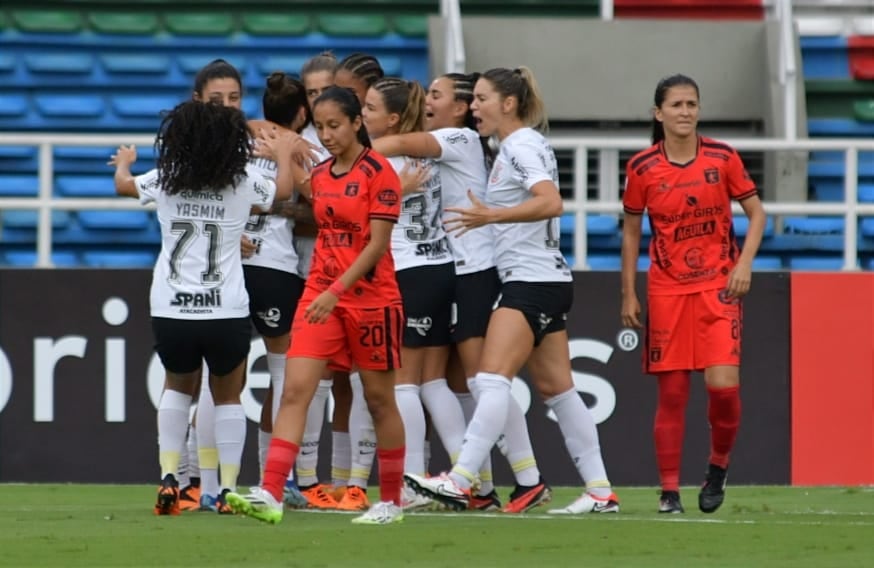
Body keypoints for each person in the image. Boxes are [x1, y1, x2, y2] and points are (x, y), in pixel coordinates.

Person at [404, 66, 619, 515]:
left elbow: (550, 201)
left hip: (530, 281)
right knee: (558, 388)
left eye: (482, 99)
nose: (475, 107)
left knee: (489, 378)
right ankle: (600, 490)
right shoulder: (517, 146)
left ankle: (462, 478)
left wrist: (491, 218)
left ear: (508, 103)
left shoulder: (520, 146)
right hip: (549, 279)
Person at [227, 86, 407, 525]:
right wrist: (285, 151)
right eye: (321, 126)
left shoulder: (380, 173)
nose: (326, 135)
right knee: (294, 390)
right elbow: (308, 190)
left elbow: (376, 245)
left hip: (370, 300)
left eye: (334, 126)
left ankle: (391, 502)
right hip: (320, 294)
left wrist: (335, 291)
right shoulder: (323, 174)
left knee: (381, 401)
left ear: (355, 123)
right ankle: (271, 492)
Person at [109, 99, 295, 515]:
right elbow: (282, 192)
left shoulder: (168, 179)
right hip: (225, 308)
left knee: (177, 388)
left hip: (172, 306)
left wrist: (124, 163)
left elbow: (124, 185)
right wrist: (282, 154)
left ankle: (170, 478)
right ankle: (227, 488)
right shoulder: (242, 181)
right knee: (228, 397)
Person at [372, 72, 543, 512]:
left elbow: (393, 146)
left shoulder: (458, 138)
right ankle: (487, 484)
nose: (427, 100)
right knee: (456, 382)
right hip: (456, 267)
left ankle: (508, 479)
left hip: (473, 268)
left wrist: (344, 152)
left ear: (462, 107)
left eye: (437, 94)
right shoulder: (449, 143)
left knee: (480, 381)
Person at [619, 74, 766, 514]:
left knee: (724, 388)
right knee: (674, 395)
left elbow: (756, 214)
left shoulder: (722, 157)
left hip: (718, 288)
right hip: (666, 292)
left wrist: (744, 265)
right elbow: (630, 233)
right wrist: (628, 292)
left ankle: (718, 467)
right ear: (658, 113)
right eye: (677, 104)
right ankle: (669, 492)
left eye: (692, 104)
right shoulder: (642, 167)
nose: (685, 112)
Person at [361, 77, 458, 511]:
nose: (363, 115)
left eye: (369, 108)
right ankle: (466, 478)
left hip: (409, 271)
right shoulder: (430, 149)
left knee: (403, 384)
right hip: (440, 267)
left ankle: (413, 484)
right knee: (433, 381)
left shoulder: (383, 159)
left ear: (393, 118)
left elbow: (364, 213)